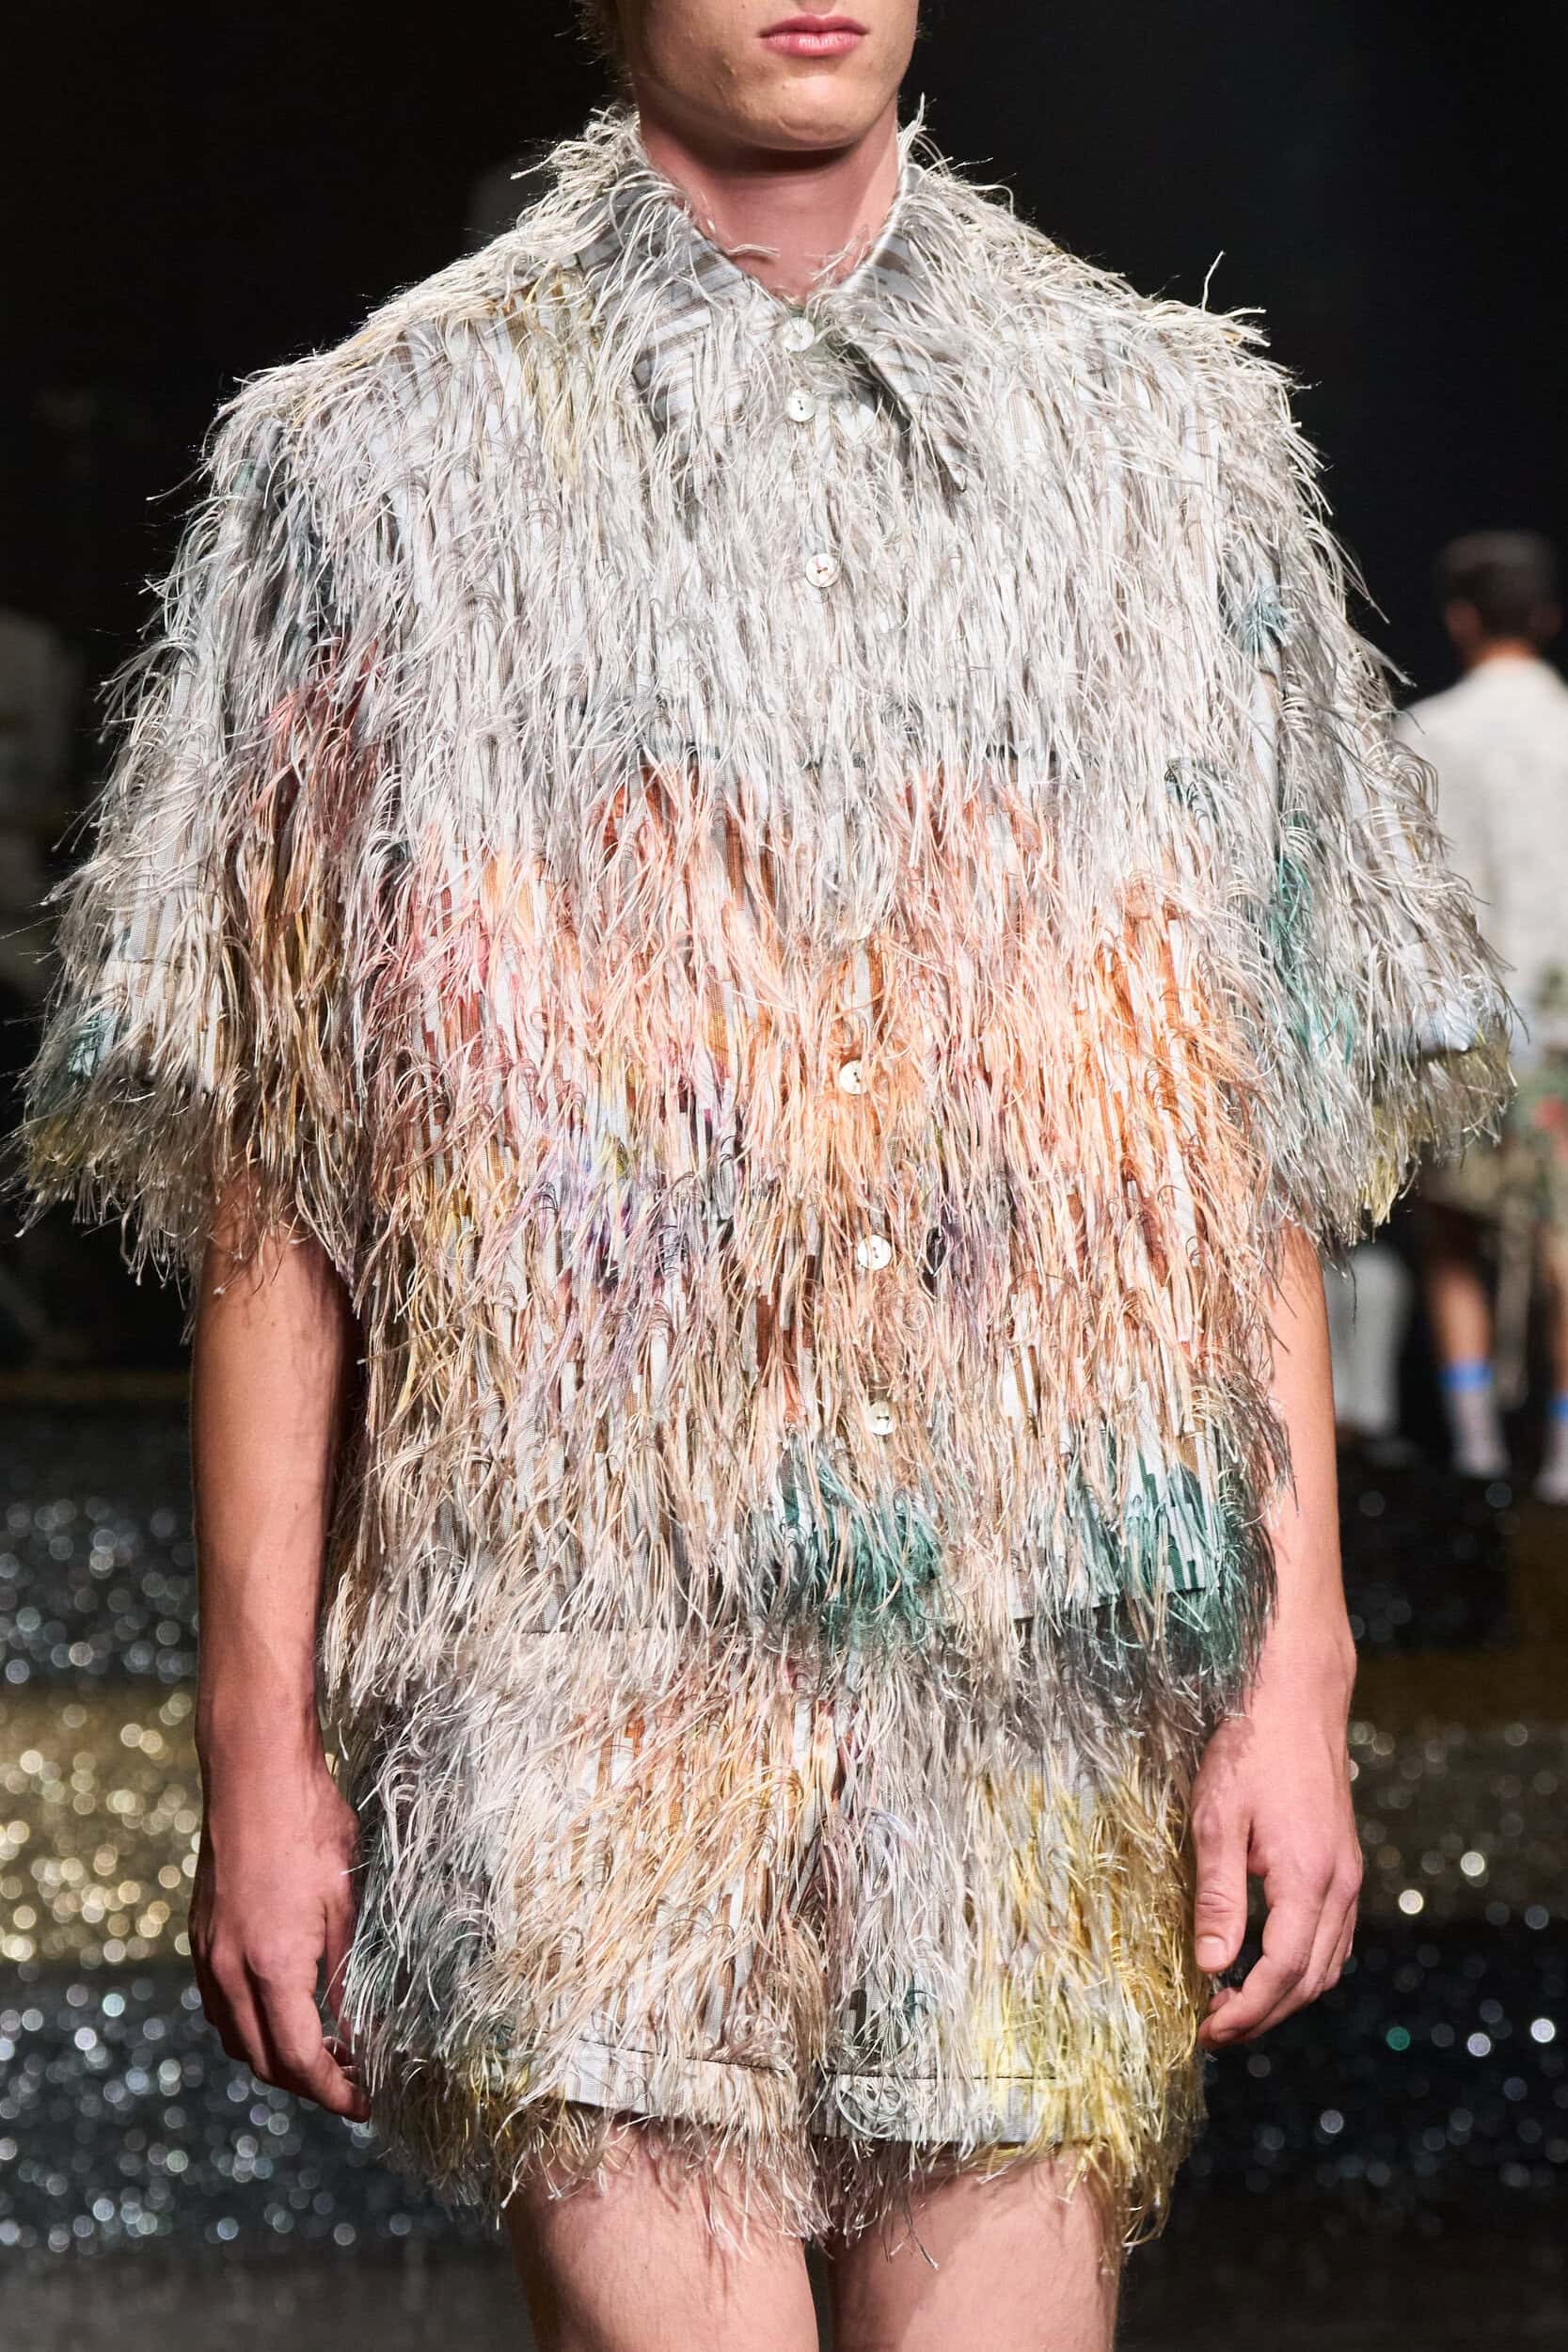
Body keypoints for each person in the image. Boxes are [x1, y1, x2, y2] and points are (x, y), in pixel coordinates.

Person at [7, 5, 1511, 2346]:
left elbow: (1232, 1131)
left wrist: (1293, 1666)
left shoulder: (1159, 438)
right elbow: (270, 1164)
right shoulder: (375, 461)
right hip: (566, 1662)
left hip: (1040, 1660)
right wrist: (258, 1744)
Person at [1398, 532, 1568, 1499]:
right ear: (1545, 616)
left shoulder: (1425, 732)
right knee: (1560, 1236)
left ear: (1459, 618)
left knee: (1452, 1229)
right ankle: (1560, 1458)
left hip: (1460, 1021)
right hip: (1561, 1017)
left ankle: (1472, 1451)